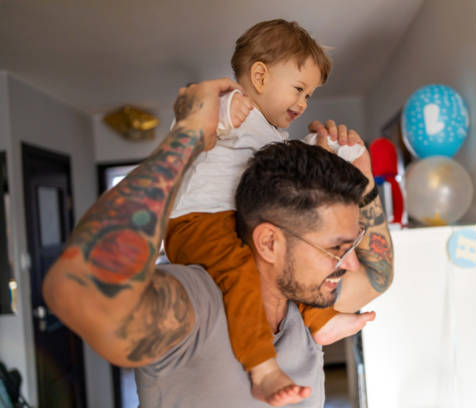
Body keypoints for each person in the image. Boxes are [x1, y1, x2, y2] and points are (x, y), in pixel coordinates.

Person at [42, 78, 393, 407]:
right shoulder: (197, 303)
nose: (349, 263)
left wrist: (362, 174)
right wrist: (189, 134)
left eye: (349, 246)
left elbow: (379, 274)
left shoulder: (305, 299)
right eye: (335, 248)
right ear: (269, 242)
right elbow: (82, 288)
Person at [164, 19, 367, 405]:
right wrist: (222, 113)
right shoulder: (230, 104)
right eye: (299, 89)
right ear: (259, 75)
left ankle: (319, 320)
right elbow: (187, 122)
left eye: (310, 95)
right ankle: (262, 368)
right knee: (243, 275)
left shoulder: (272, 133)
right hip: (198, 221)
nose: (304, 103)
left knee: (294, 262)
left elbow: (289, 159)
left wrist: (333, 149)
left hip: (239, 221)